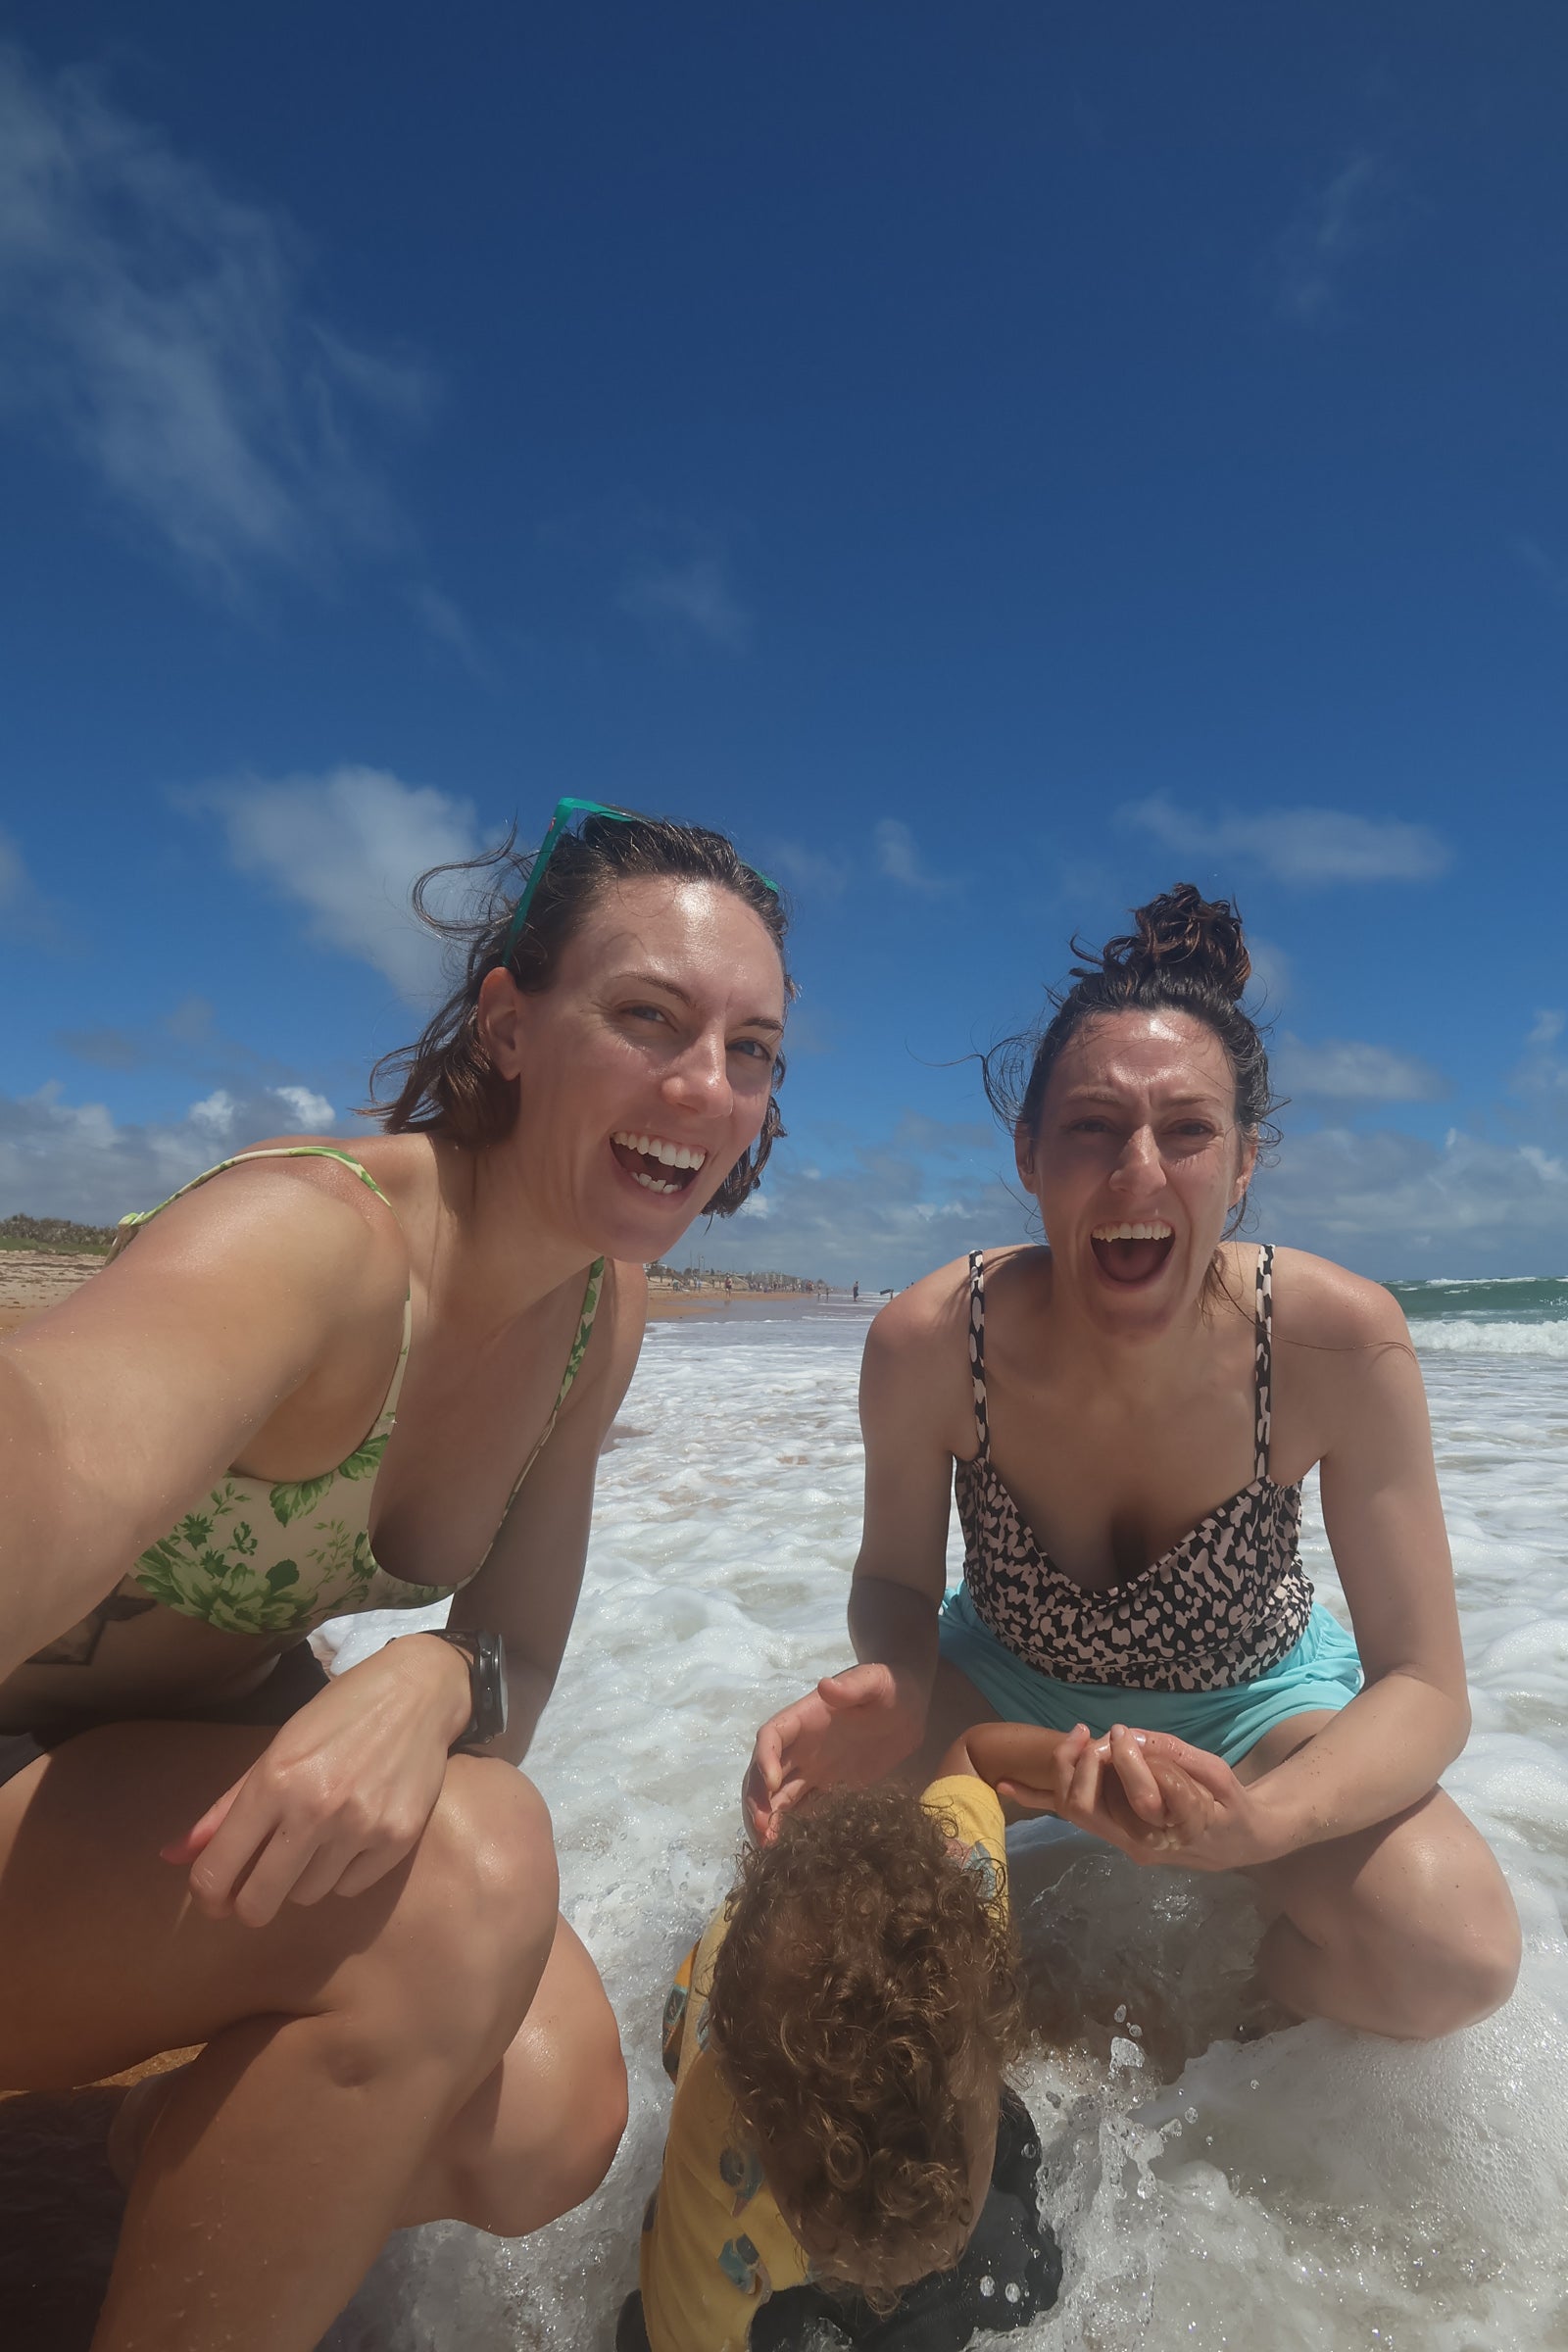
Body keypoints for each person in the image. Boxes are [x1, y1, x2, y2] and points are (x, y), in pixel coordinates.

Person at [0, 803, 792, 2352]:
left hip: (162, 1787)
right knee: (469, 1882)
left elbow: (520, 1664)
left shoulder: (594, 1313)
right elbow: (53, 1448)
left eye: (751, 1049)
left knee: (552, 2110)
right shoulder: (310, 1247)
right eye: (647, 1018)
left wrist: (435, 1674)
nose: (705, 1086)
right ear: (507, 1022)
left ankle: (176, 2168)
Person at [747, 885, 1520, 2042]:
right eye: (1093, 1128)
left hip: (1255, 1703)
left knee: (1449, 1952)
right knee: (789, 1867)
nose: (1137, 1172)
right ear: (1027, 1154)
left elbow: (1424, 1689)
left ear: (1246, 1161)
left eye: (1188, 1131)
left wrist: (1261, 1824)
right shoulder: (930, 1343)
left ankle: (1222, 2019)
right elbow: (897, 1587)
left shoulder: (1334, 1343)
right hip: (1001, 1682)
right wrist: (897, 1681)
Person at [616, 1718, 1137, 2352]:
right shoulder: (721, 2171)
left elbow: (971, 1756)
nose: (891, 2267)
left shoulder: (965, 1928)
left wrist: (1071, 1766)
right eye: (838, 2235)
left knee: (1019, 2264)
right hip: (714, 2014)